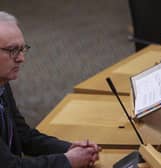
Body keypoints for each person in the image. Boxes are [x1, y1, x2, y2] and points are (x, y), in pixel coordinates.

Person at [0, 11, 100, 168]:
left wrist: (70, 149)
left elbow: (23, 136)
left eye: (22, 49)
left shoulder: (2, 83)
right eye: (12, 50)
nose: (21, 58)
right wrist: (68, 160)